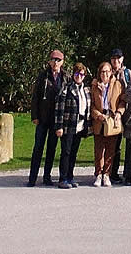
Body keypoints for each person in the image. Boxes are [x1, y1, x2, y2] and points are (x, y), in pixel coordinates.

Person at [28, 46, 66, 187]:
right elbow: (35, 97)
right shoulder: (43, 76)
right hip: (43, 117)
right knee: (38, 147)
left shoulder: (65, 77)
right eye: (53, 60)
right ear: (49, 62)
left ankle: (47, 176)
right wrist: (35, 116)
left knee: (51, 148)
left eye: (58, 60)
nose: (55, 62)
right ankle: (32, 178)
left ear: (62, 62)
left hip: (56, 119)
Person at [54, 61, 90, 189]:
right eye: (77, 73)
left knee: (74, 152)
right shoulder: (66, 88)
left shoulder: (85, 90)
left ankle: (70, 176)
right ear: (73, 74)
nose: (79, 76)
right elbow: (59, 108)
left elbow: (87, 109)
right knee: (66, 152)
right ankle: (62, 178)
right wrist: (59, 126)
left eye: (81, 74)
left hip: (79, 126)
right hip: (68, 125)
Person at [91, 58, 125, 187]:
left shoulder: (117, 84)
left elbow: (122, 101)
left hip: (112, 120)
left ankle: (107, 174)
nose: (105, 74)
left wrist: (119, 113)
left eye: (107, 71)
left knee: (111, 150)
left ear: (111, 72)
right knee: (99, 150)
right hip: (100, 120)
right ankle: (98, 174)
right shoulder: (94, 86)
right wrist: (97, 115)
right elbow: (92, 104)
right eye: (102, 72)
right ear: (99, 73)